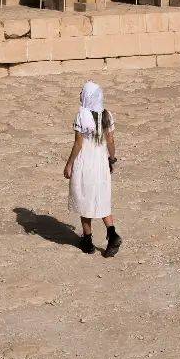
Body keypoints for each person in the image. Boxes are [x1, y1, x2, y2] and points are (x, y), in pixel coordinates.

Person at [64, 80, 121, 257]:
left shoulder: (82, 116)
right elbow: (111, 141)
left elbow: (78, 144)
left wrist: (69, 163)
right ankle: (112, 235)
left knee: (84, 199)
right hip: (101, 163)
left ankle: (87, 241)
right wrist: (111, 159)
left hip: (85, 163)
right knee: (101, 198)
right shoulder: (107, 115)